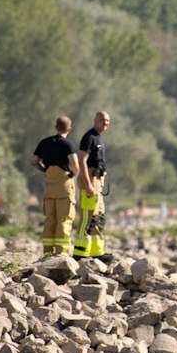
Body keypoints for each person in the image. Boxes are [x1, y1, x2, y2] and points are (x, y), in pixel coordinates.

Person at [31, 116, 82, 257]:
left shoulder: (44, 143)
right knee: (64, 219)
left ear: (56, 127)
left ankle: (47, 252)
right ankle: (61, 253)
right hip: (64, 186)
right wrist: (72, 175)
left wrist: (45, 170)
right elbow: (75, 166)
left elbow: (34, 161)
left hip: (49, 186)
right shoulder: (68, 145)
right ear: (69, 129)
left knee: (50, 219)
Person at [73, 110, 111, 259]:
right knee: (88, 218)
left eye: (107, 120)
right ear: (95, 120)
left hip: (98, 183)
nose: (105, 123)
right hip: (90, 181)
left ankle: (97, 253)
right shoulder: (89, 137)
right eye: (102, 120)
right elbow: (82, 160)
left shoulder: (98, 138)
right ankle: (79, 253)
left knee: (98, 217)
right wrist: (88, 184)